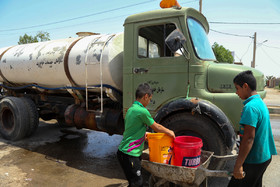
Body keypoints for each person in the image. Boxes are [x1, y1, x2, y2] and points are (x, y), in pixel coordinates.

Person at [117, 83, 175, 187]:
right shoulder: (142, 111)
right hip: (130, 154)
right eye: (150, 99)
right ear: (146, 96)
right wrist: (170, 132)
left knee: (133, 182)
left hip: (123, 152)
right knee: (137, 183)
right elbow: (157, 127)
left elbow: (132, 129)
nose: (149, 102)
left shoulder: (131, 109)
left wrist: (144, 134)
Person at [228, 70, 277, 187]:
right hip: (265, 156)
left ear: (245, 86)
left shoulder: (250, 108)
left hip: (254, 160)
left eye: (237, 88)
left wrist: (238, 165)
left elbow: (249, 138)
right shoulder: (260, 102)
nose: (236, 92)